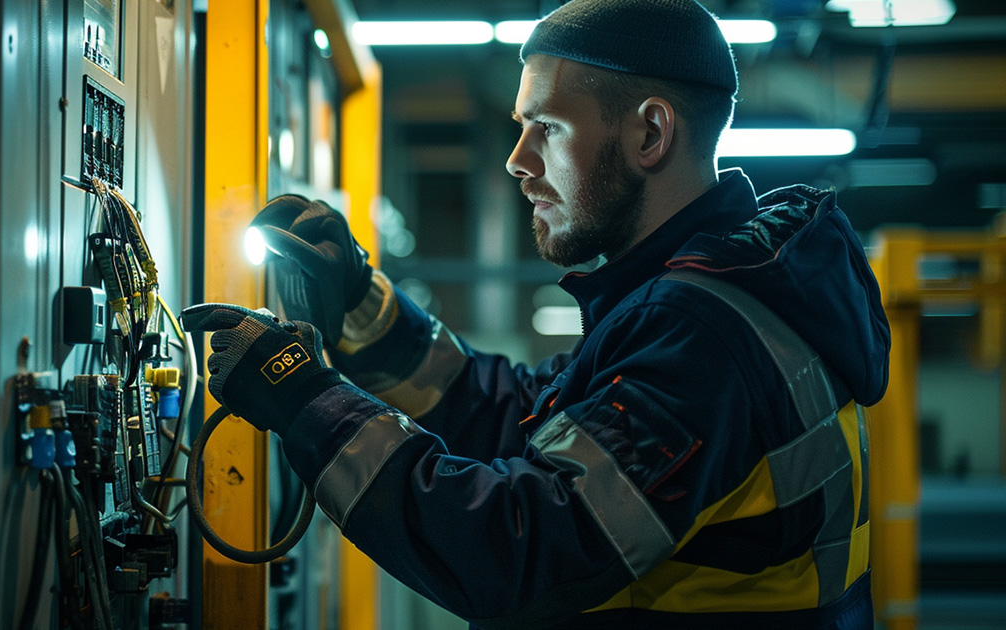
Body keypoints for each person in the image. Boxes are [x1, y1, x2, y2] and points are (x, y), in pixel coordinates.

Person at [181, 0, 890, 627]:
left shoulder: (703, 335)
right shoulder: (706, 297)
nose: (517, 159)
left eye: (546, 126)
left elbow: (516, 549)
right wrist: (364, 307)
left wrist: (306, 399)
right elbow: (525, 416)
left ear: (650, 133)